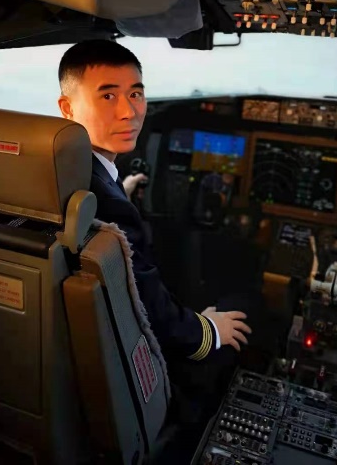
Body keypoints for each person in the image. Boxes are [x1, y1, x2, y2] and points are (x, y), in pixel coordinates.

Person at [57, 39, 252, 372]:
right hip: (137, 356)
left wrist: (122, 191)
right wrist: (207, 331)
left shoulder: (68, 172)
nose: (129, 112)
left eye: (135, 94)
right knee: (244, 310)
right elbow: (149, 307)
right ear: (68, 108)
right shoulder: (110, 210)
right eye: (108, 96)